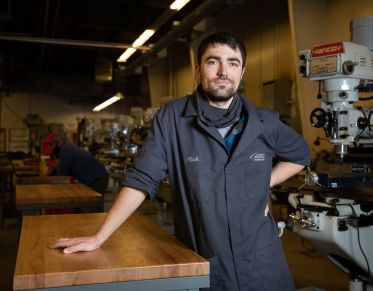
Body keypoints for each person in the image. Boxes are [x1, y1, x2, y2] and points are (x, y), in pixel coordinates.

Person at [49, 32, 311, 290]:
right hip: (207, 260)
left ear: (242, 72)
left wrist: (263, 184)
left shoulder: (264, 121)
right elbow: (142, 179)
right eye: (213, 61)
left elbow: (300, 155)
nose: (223, 71)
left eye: (233, 63)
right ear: (198, 70)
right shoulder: (172, 119)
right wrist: (98, 237)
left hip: (264, 264)